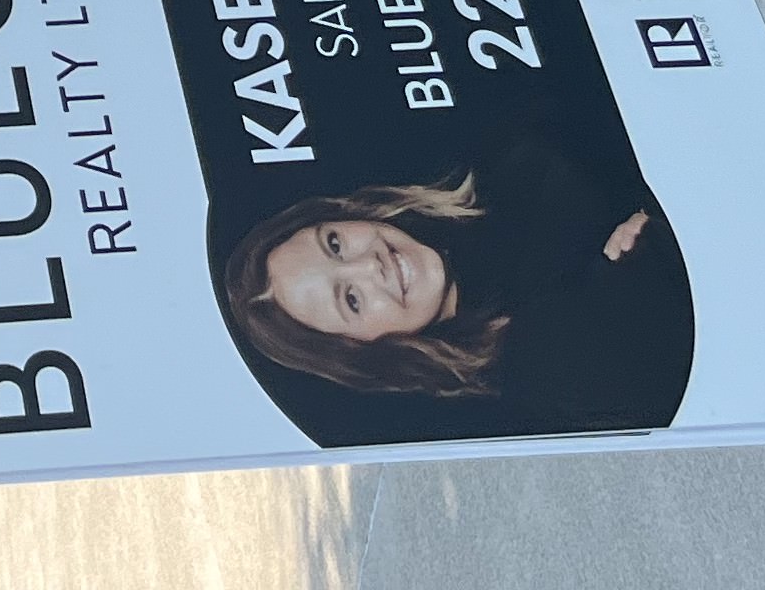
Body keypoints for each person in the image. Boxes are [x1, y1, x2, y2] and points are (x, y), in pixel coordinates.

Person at [215, 137, 692, 434]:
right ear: (363, 350)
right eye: (351, 299)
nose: (370, 265)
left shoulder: (502, 163)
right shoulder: (539, 368)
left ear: (346, 213)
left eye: (335, 243)